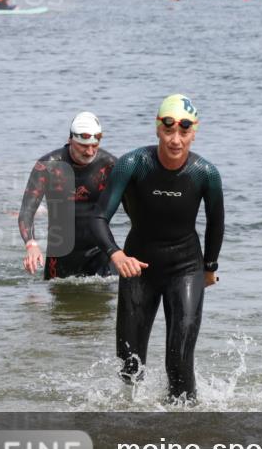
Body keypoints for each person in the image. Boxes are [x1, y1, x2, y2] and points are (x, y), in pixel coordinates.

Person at [90, 94, 223, 402]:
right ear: (157, 128)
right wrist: (116, 254)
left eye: (184, 132)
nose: (175, 140)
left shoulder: (206, 173)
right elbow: (98, 218)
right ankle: (132, 424)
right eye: (168, 130)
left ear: (195, 131)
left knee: (179, 362)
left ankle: (184, 430)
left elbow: (216, 223)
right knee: (129, 365)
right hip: (138, 268)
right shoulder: (132, 164)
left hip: (186, 268)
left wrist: (210, 268)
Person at [19, 112, 117, 279]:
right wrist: (31, 245)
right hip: (60, 255)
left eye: (95, 145)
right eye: (83, 146)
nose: (89, 151)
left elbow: (135, 208)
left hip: (100, 252)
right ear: (70, 139)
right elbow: (27, 211)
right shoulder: (48, 166)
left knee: (105, 301)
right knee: (58, 302)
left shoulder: (110, 165)